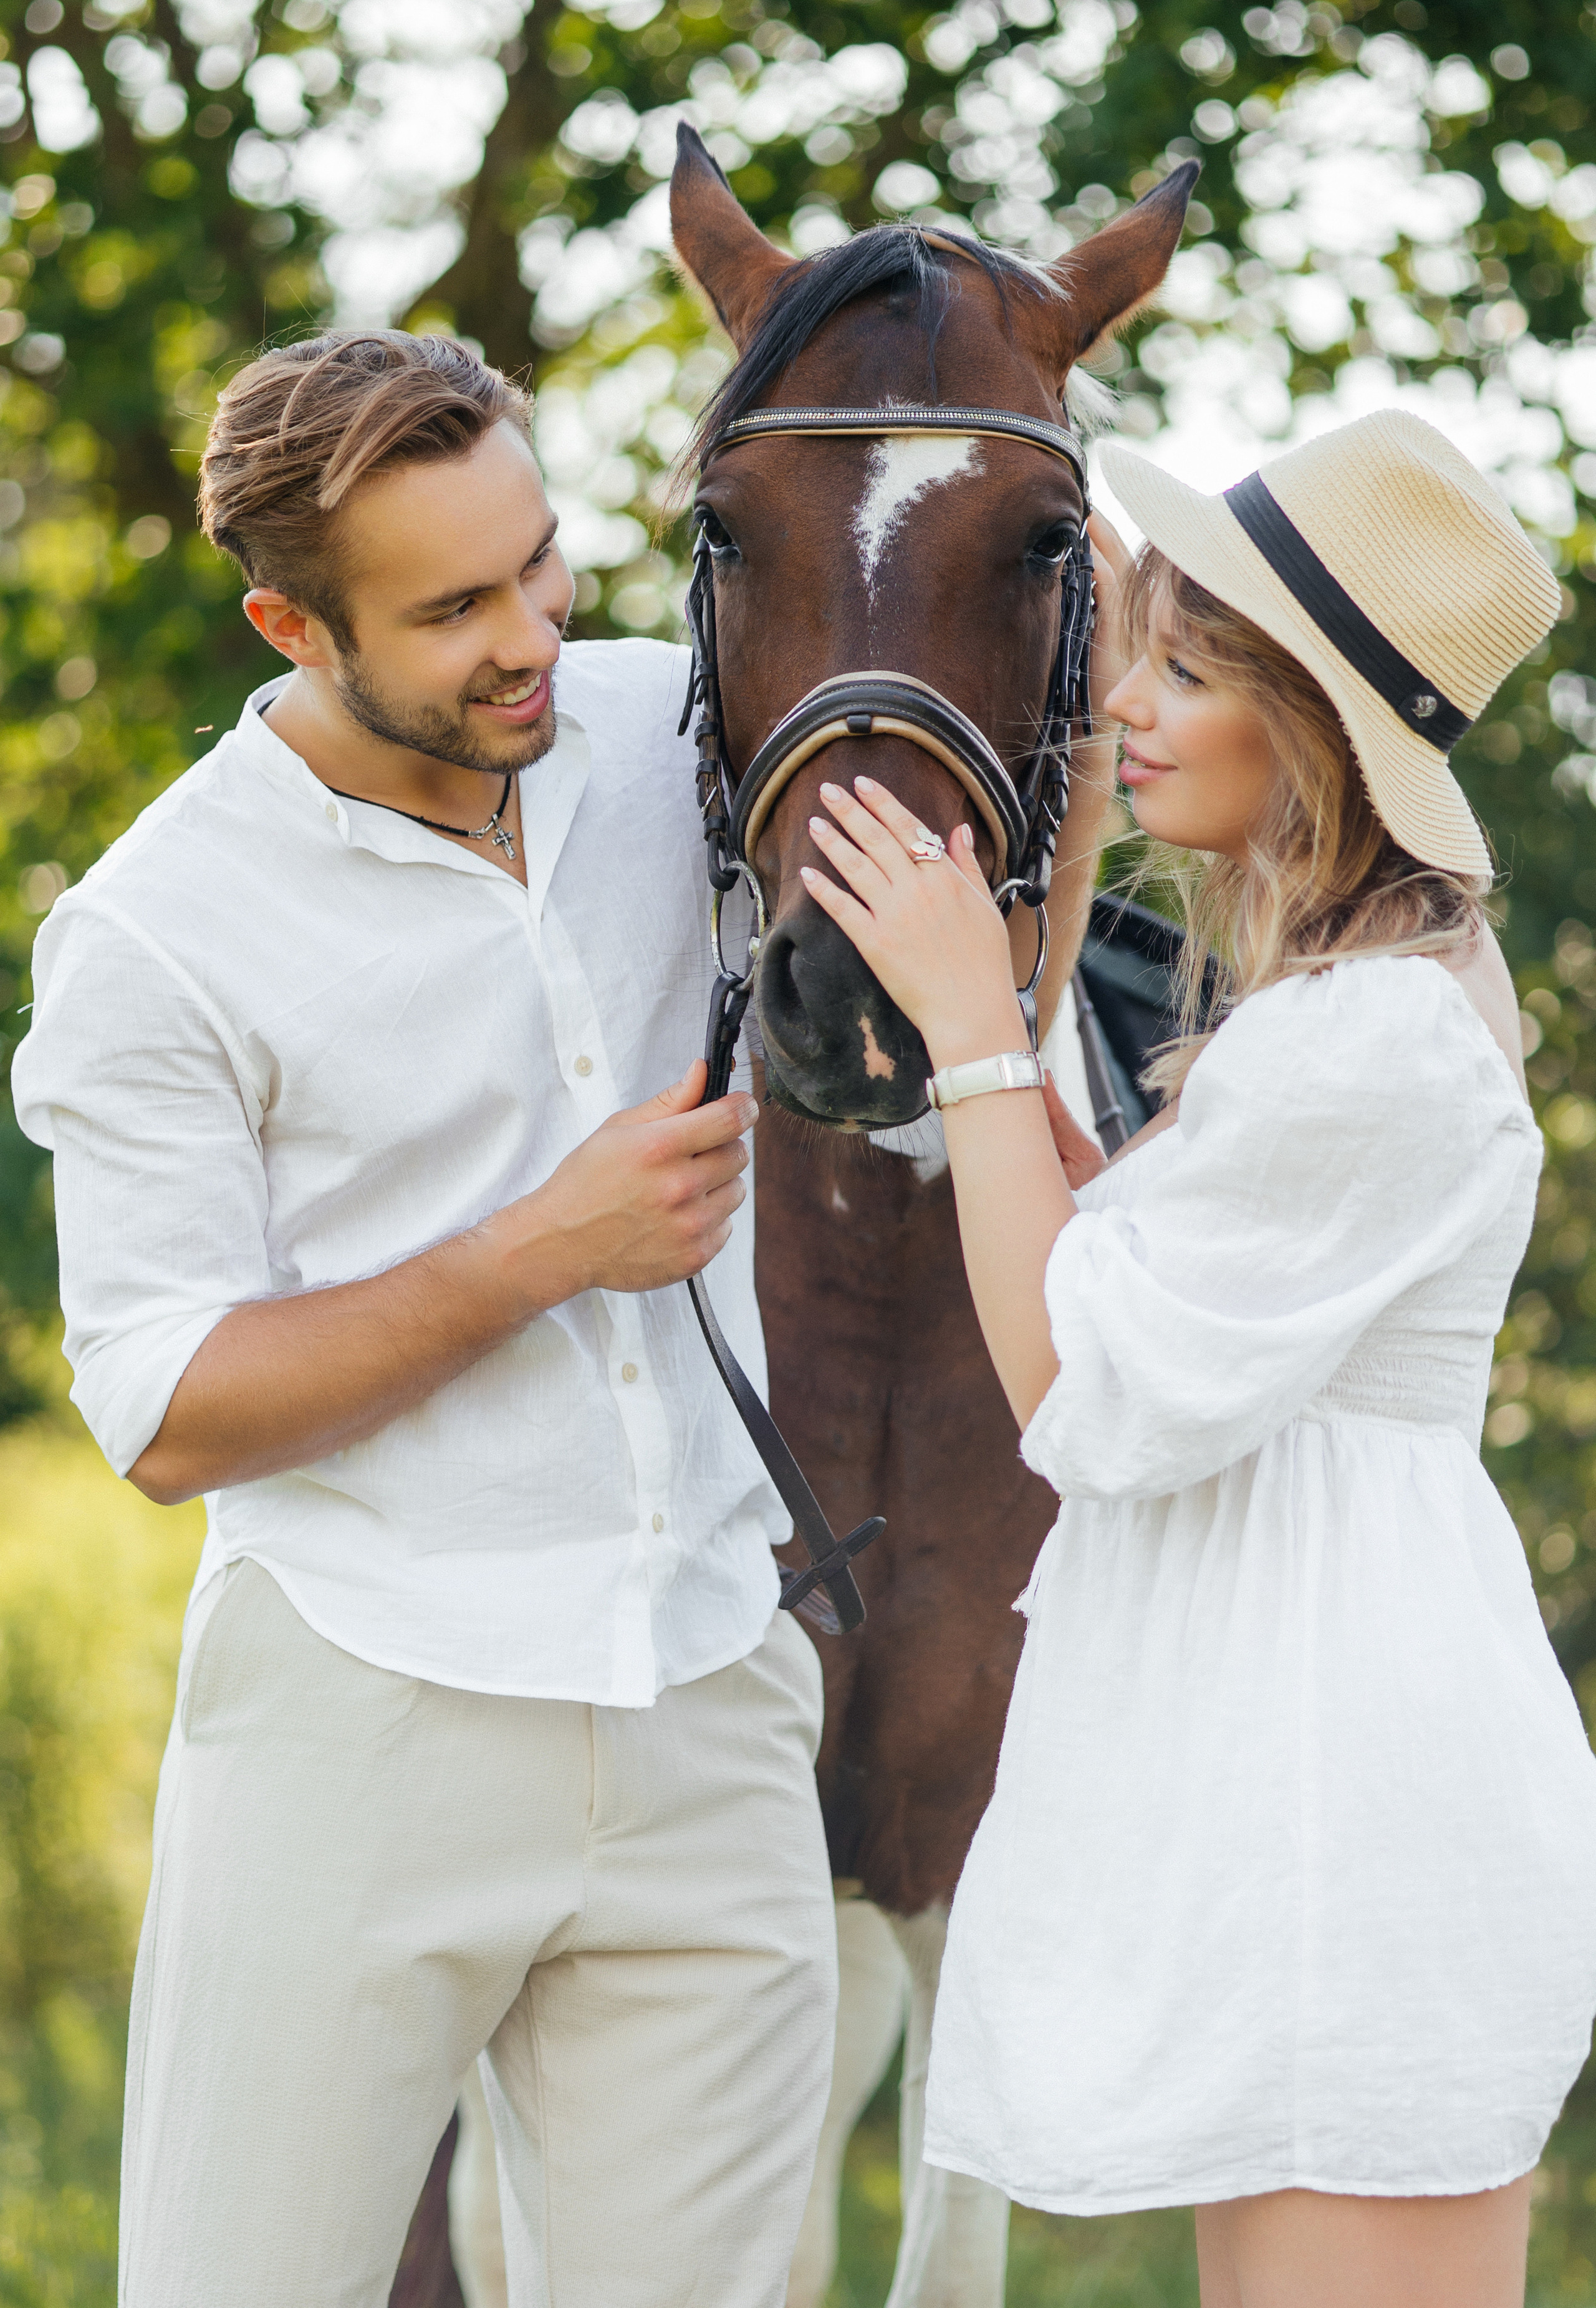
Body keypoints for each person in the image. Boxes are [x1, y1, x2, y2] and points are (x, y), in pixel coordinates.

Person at [11, 330, 837, 2308]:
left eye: (541, 564)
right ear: (291, 621)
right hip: (364, 1714)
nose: (532, 636)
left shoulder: (678, 734)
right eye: (454, 608)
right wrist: (539, 1249)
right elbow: (168, 1410)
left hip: (713, 1684)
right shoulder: (153, 934)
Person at [795, 407, 1596, 2308]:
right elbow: (1147, 1301)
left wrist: (978, 1033)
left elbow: (1085, 1396)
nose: (1129, 708)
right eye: (1141, 653)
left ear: (1316, 726)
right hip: (1299, 1789)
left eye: (1190, 668)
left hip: (1348, 1813)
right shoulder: (1334, 1011)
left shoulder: (1367, 1041)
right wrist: (1062, 1148)